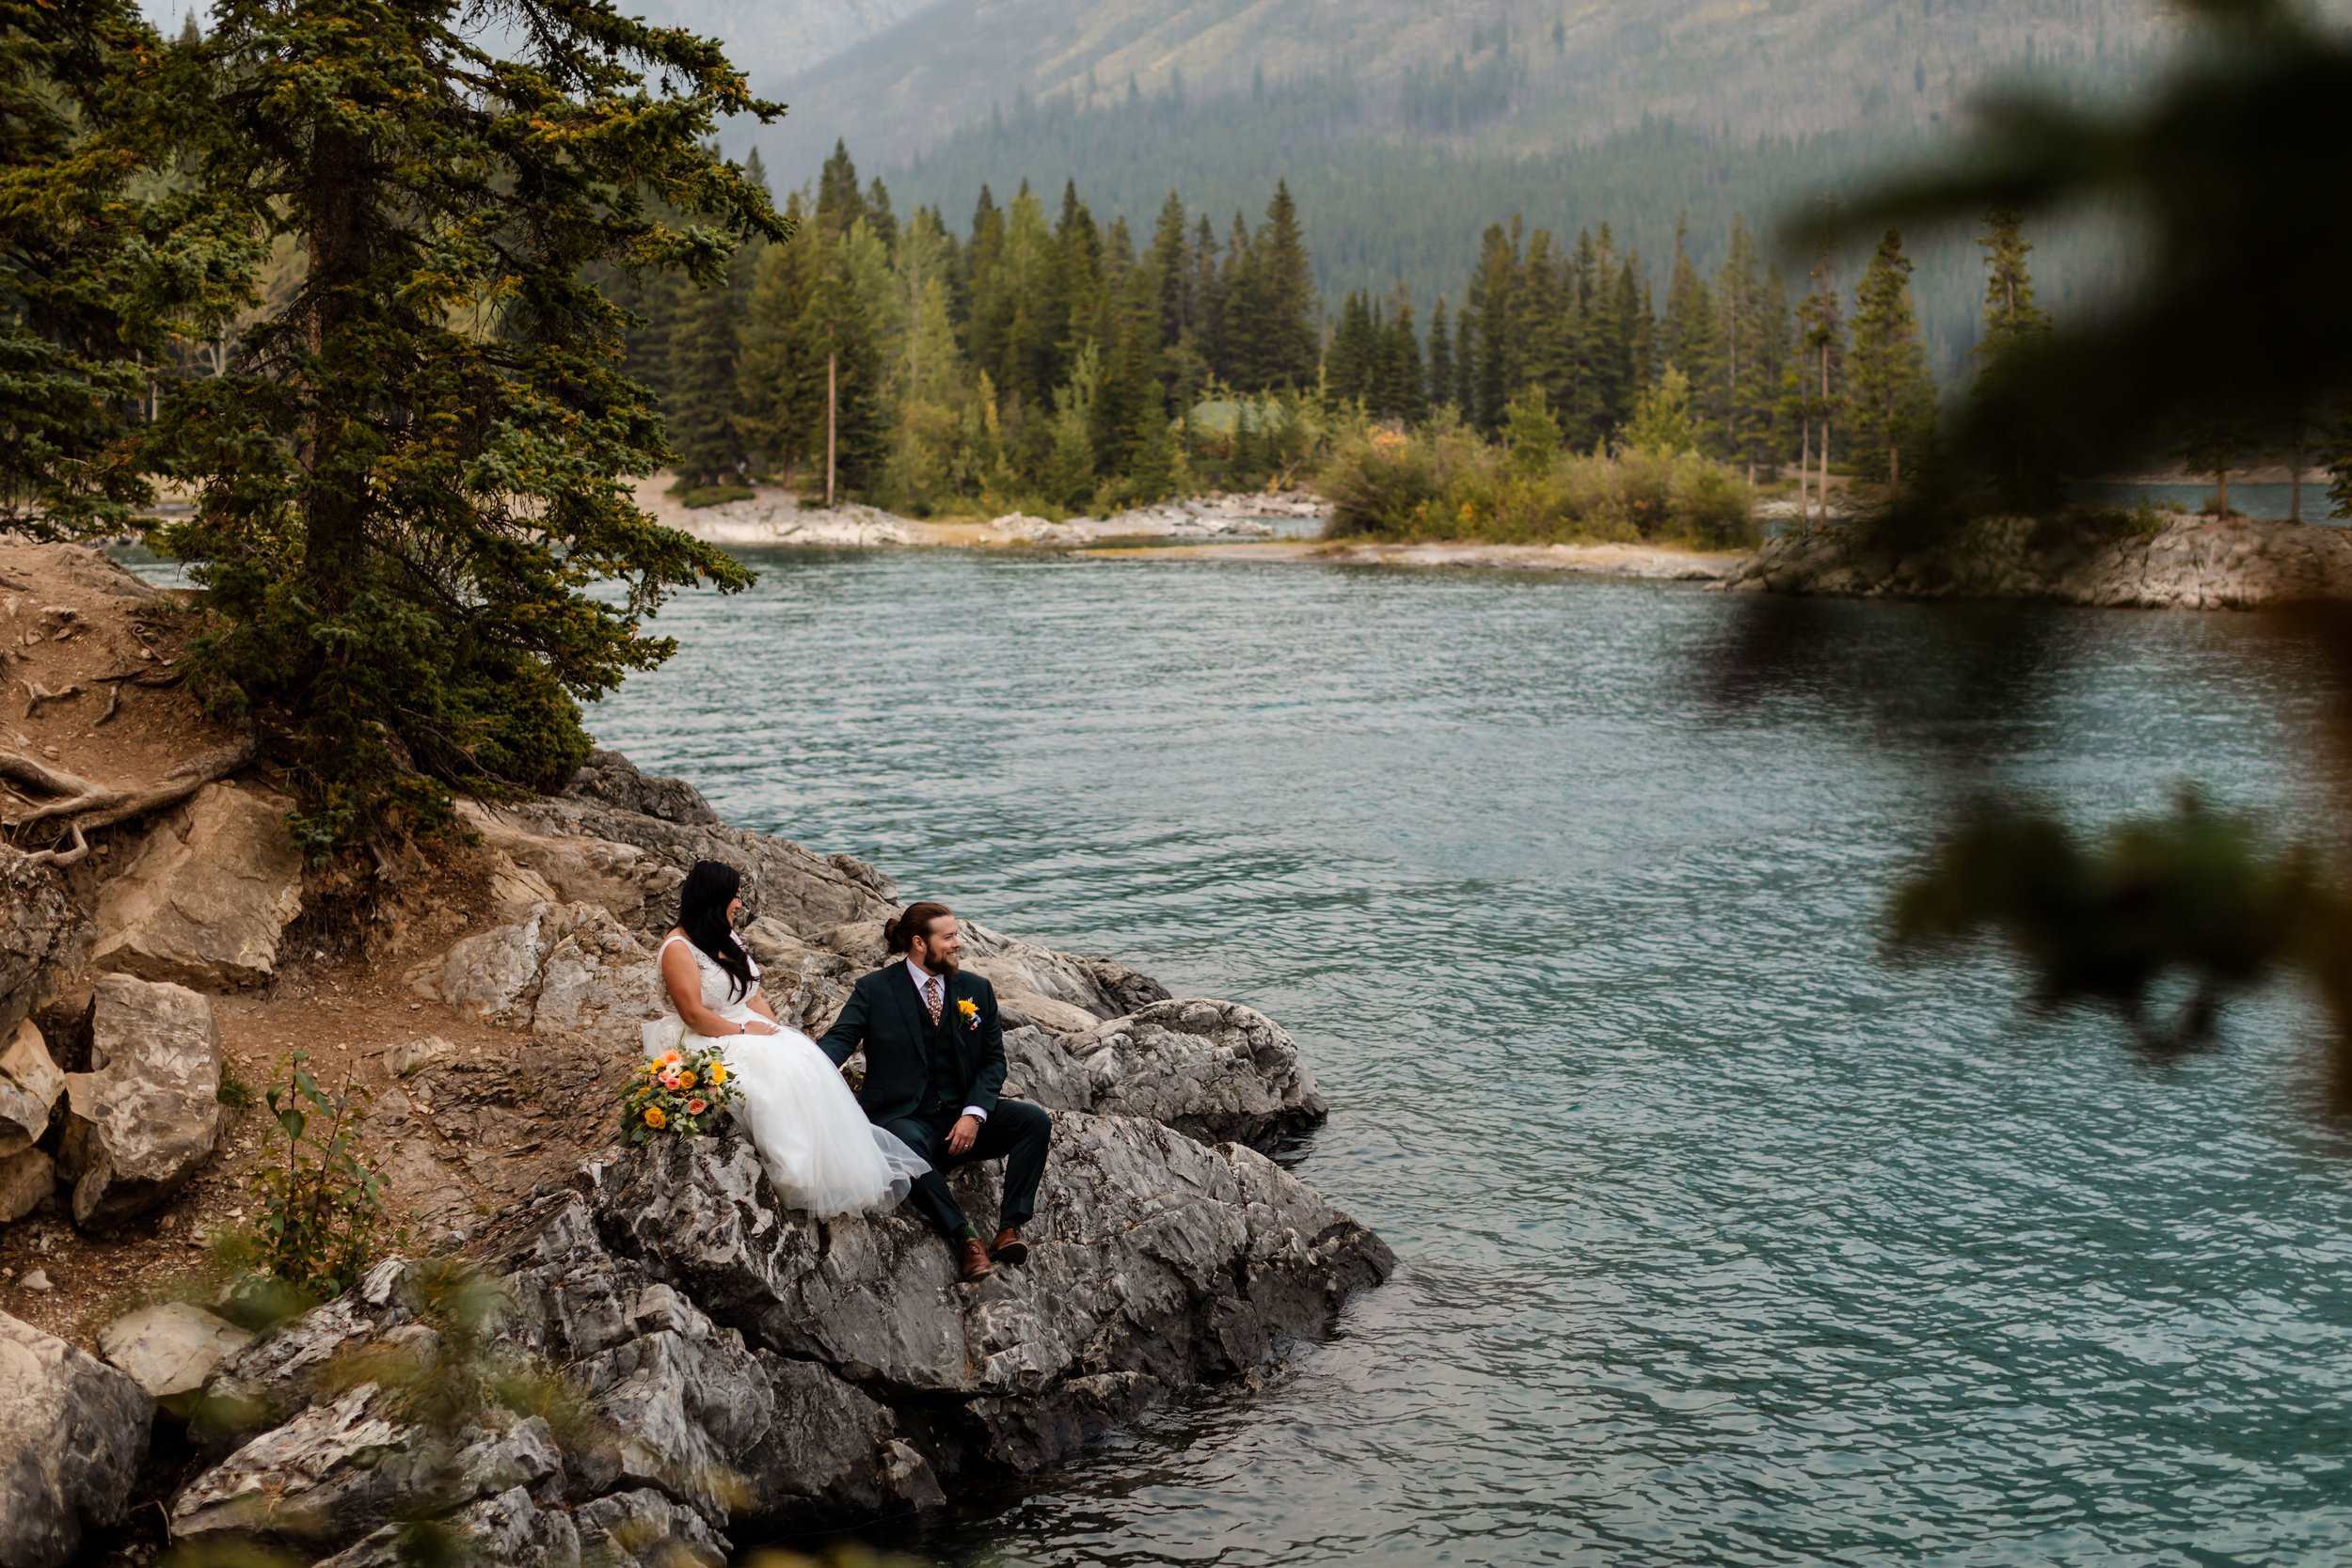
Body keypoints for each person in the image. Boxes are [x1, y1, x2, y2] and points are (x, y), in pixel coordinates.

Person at [652, 861, 929, 1216]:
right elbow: (692, 1013)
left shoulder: (726, 936)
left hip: (745, 1024)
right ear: (714, 898)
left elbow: (753, 995)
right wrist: (742, 1030)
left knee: (804, 1060)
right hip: (703, 1033)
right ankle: (799, 1173)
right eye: (734, 897)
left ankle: (836, 1166)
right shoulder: (678, 948)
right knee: (770, 1080)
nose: (739, 904)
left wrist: (779, 1034)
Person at [817, 901, 1053, 1283]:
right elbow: (840, 1041)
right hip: (904, 1119)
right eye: (949, 937)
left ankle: (1009, 1227)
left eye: (956, 934)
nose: (958, 943)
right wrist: (802, 1067)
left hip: (960, 1117)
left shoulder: (976, 989)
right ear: (919, 943)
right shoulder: (875, 990)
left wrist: (973, 1115)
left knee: (1034, 1122)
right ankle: (964, 1237)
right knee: (900, 1141)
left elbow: (993, 1062)